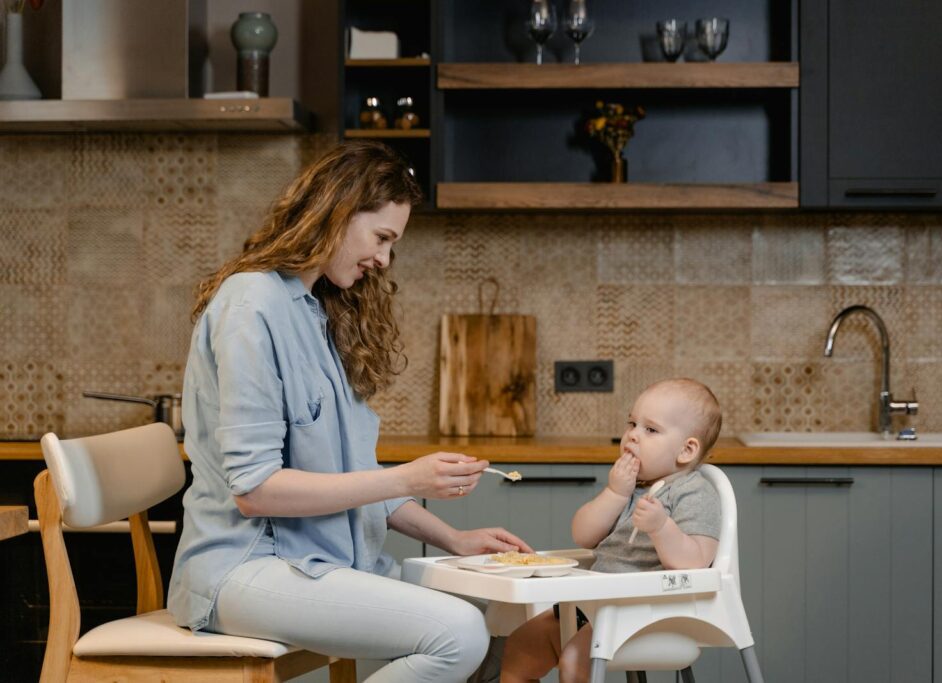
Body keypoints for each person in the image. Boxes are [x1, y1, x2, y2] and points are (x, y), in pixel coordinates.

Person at [167, 140, 531, 682]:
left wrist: (452, 540)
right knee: (457, 634)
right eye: (381, 238)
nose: (383, 259)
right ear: (336, 212)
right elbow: (255, 490)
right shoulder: (252, 305)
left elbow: (348, 478)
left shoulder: (315, 312)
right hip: (243, 568)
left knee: (496, 619)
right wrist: (408, 477)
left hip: (310, 561)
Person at [499, 378, 723, 683]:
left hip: (650, 613)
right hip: (593, 607)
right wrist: (615, 493)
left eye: (650, 429)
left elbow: (696, 562)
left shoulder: (694, 492)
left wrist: (661, 528)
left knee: (576, 657)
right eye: (632, 423)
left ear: (686, 450)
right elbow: (583, 536)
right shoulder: (630, 490)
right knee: (520, 646)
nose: (632, 436)